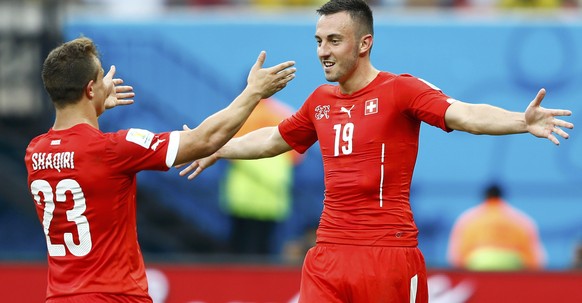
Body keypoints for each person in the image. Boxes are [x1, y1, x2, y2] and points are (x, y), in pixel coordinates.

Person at [178, 0, 574, 301]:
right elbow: (274, 139)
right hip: (328, 254)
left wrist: (523, 121)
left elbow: (465, 114)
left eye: (334, 40)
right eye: (318, 41)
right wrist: (219, 146)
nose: (323, 51)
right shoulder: (319, 100)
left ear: (364, 43)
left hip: (387, 255)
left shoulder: (400, 90)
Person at [24, 36, 295, 303]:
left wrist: (92, 110)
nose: (108, 83)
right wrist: (254, 92)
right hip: (115, 296)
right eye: (103, 77)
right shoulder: (114, 148)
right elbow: (204, 140)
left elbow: (78, 148)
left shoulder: (35, 152)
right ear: (90, 89)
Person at [220, 97, 302, 256]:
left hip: (242, 195)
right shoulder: (283, 114)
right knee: (264, 250)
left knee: (239, 247)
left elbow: (226, 150)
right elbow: (296, 154)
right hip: (272, 196)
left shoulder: (238, 114)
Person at [447, 184, 546, 271]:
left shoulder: (468, 219)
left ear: (484, 196)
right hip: (512, 264)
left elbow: (455, 257)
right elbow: (536, 259)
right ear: (503, 196)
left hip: (479, 263)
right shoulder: (520, 219)